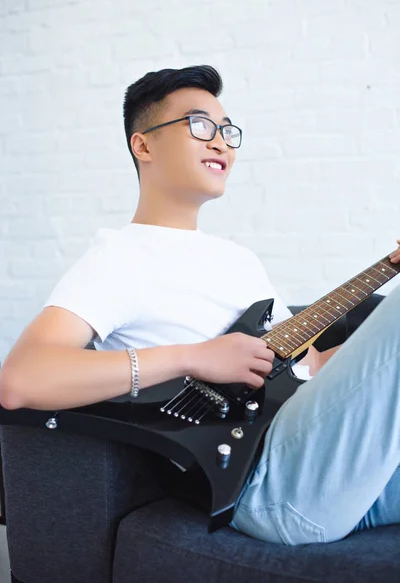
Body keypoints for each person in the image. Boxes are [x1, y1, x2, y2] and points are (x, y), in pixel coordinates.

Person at [0, 65, 399, 546]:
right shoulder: (120, 256)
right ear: (143, 145)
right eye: (200, 126)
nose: (221, 143)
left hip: (343, 474)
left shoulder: (240, 261)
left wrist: (375, 350)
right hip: (271, 487)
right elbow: (21, 380)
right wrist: (192, 356)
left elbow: (309, 369)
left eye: (228, 132)